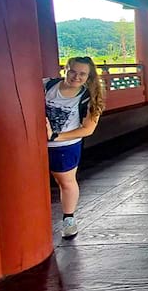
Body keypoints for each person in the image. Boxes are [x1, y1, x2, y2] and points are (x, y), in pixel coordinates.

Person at [44, 56, 104, 239]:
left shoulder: (89, 97)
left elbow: (88, 129)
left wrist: (55, 136)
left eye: (82, 74)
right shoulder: (47, 86)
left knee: (66, 182)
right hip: (33, 144)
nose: (76, 77)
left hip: (65, 146)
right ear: (65, 69)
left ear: (89, 76)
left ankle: (68, 218)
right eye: (72, 71)